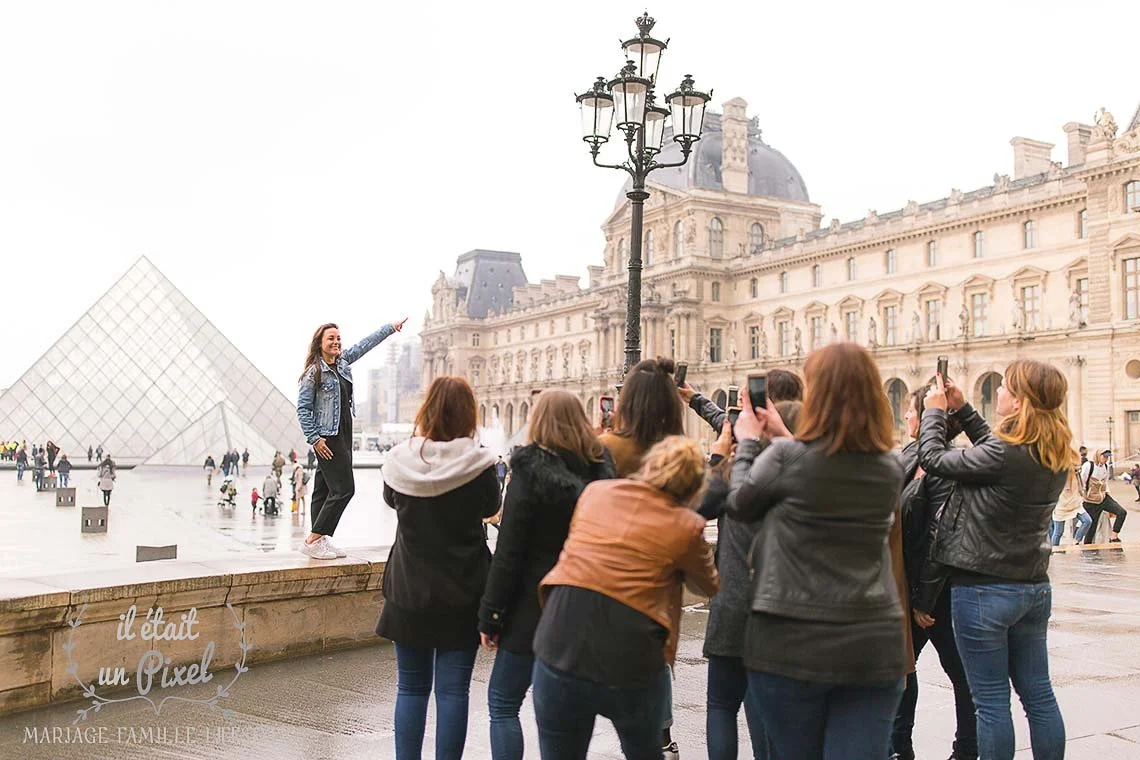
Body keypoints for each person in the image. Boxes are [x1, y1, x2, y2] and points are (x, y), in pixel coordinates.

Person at [726, 342, 908, 760]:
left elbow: (740, 503)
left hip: (791, 641)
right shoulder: (890, 467)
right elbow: (821, 467)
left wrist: (749, 443)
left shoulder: (786, 459)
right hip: (872, 641)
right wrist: (784, 435)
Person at [915, 359, 1073, 760]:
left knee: (990, 701)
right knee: (1039, 695)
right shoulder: (1053, 452)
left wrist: (934, 412)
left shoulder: (1004, 454)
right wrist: (964, 408)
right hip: (1033, 588)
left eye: (1004, 387)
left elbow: (933, 458)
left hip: (984, 589)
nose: (998, 391)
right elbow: (995, 450)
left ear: (1019, 402)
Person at [532, 435, 719, 759]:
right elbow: (710, 586)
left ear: (650, 466)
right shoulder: (686, 525)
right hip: (632, 655)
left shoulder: (595, 493)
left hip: (559, 639)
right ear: (693, 488)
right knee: (644, 750)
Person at [477, 390, 616, 760]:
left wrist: (491, 616)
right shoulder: (601, 472)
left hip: (532, 611)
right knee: (563, 715)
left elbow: (509, 555)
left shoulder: (528, 475)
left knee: (503, 703)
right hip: (586, 608)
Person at [377, 375, 499, 760]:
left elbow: (390, 500)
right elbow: (491, 508)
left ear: (426, 408)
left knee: (411, 688)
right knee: (453, 692)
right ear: (468, 413)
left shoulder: (400, 462)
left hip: (408, 589)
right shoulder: (479, 465)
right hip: (463, 589)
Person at [699, 401, 803, 760]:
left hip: (731, 601)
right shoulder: (798, 478)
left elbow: (700, 507)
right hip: (777, 605)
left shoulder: (734, 476)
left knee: (721, 705)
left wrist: (719, 457)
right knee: (767, 708)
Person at [595, 356, 687, 758]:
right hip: (660, 570)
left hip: (612, 568)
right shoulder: (679, 452)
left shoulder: (608, 448)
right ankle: (661, 737)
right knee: (656, 656)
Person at [892, 385, 976, 760]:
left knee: (960, 674)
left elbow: (940, 535)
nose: (907, 416)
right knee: (903, 671)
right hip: (909, 587)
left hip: (937, 593)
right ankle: (899, 747)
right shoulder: (911, 456)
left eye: (914, 410)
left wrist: (923, 601)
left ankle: (966, 749)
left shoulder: (945, 465)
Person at [296, 318, 405, 559]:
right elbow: (303, 409)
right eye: (330, 338)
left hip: (344, 433)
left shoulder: (342, 362)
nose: (336, 342)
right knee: (344, 489)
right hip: (328, 437)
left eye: (338, 338)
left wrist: (389, 328)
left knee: (323, 489)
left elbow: (366, 344)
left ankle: (320, 540)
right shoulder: (313, 373)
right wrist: (315, 439)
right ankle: (313, 539)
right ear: (319, 343)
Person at [681, 368, 803, 435]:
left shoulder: (754, 437)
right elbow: (721, 420)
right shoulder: (804, 436)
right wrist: (694, 398)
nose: (742, 397)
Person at [1080, 449, 1127, 543]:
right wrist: (1083, 497)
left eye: (1107, 457)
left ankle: (1113, 536)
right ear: (1098, 455)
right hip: (1091, 501)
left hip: (1103, 497)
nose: (1106, 459)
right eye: (1104, 457)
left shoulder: (1105, 466)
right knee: (1091, 529)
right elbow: (1082, 482)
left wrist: (1108, 494)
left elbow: (1105, 482)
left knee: (1121, 512)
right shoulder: (1089, 466)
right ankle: (1087, 548)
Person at [1050, 467, 1091, 546]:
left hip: (1075, 504)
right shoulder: (1061, 472)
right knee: (1058, 532)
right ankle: (1054, 550)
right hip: (1062, 506)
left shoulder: (1076, 473)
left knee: (1087, 520)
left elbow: (1081, 487)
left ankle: (1076, 540)